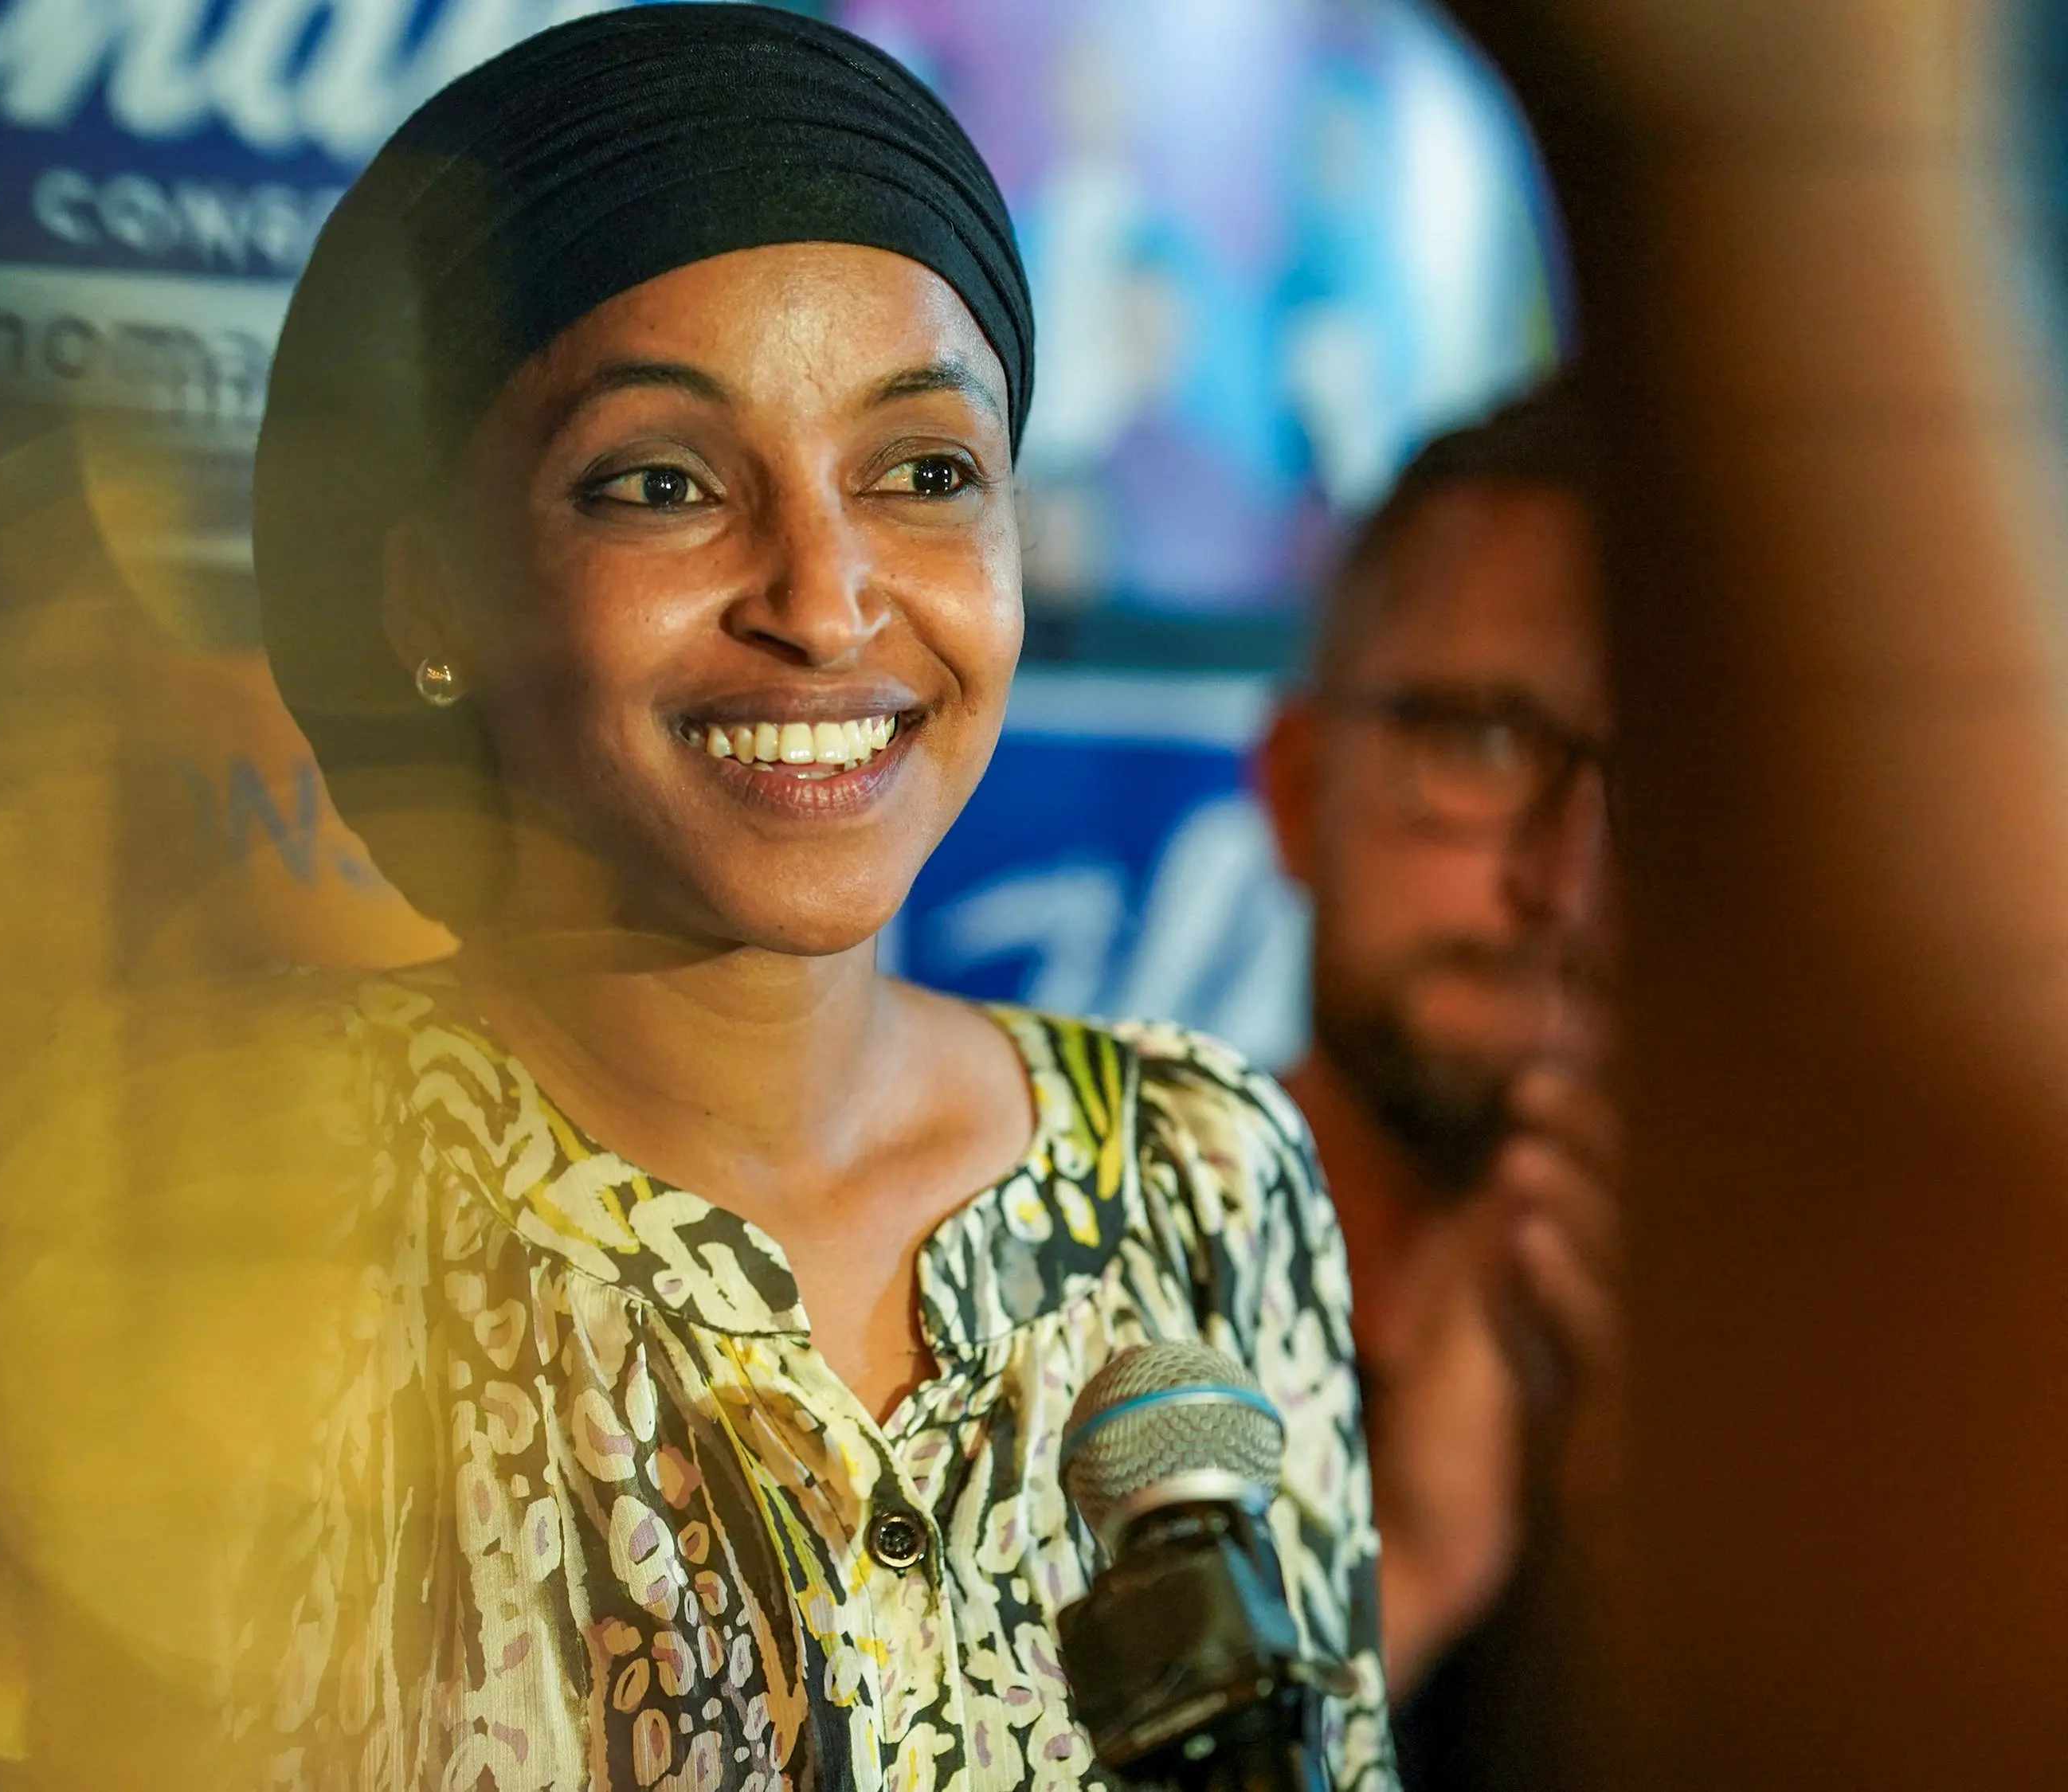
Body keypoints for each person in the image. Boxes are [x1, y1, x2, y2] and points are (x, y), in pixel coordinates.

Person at [237, 9, 1396, 1786]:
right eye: (661, 484)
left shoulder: (1200, 1173)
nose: (825, 597)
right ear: (426, 595)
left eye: (922, 473)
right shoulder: (231, 1207)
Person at [1252, 383, 1618, 1787]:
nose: (1567, 882)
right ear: (1297, 787)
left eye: (1670, 777)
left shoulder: (1859, 1359)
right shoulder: (1042, 1287)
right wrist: (1408, 1557)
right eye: (1482, 742)